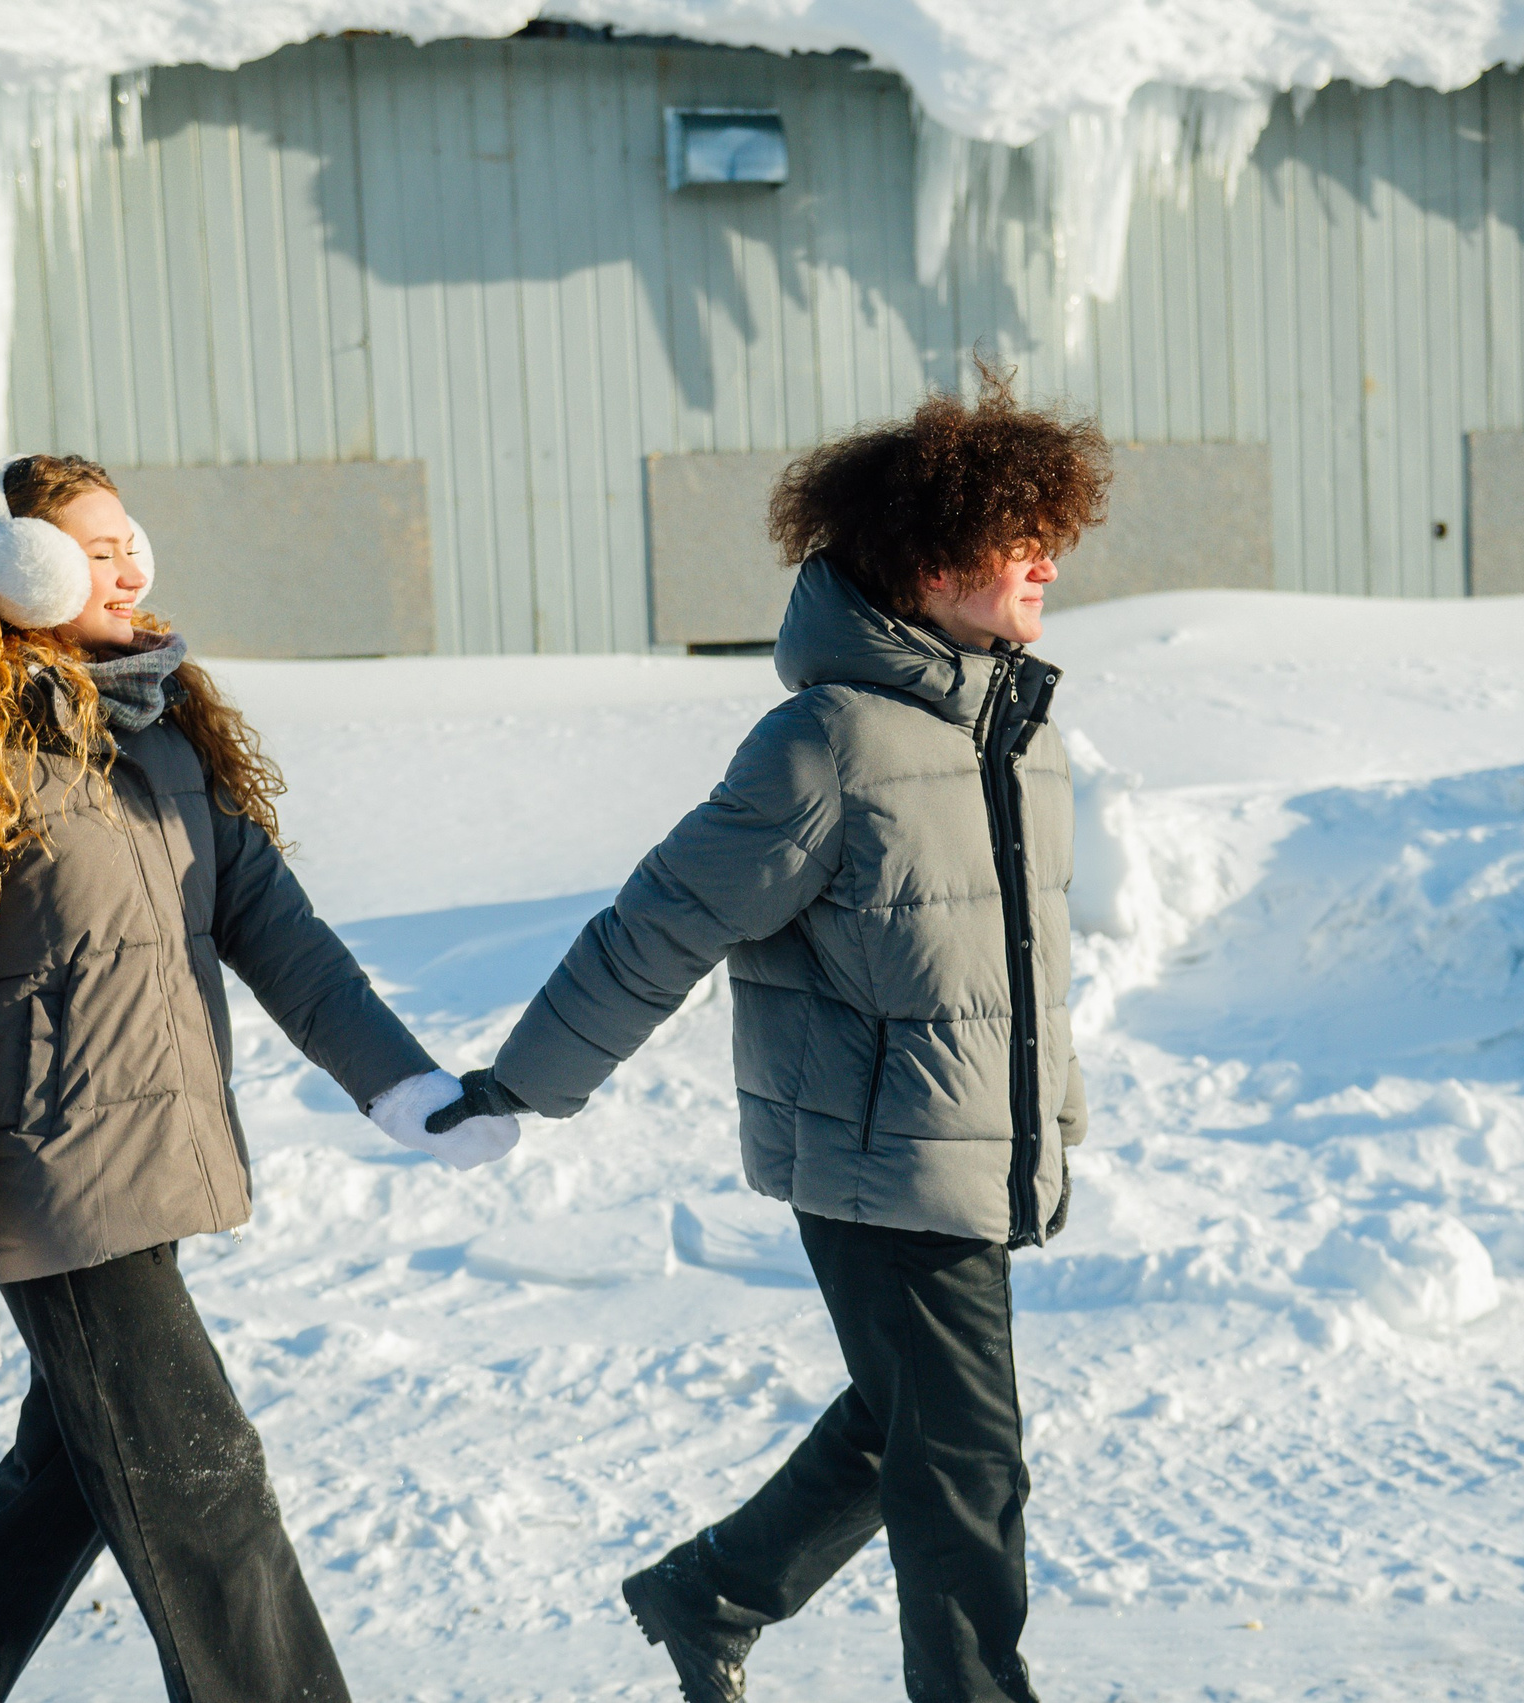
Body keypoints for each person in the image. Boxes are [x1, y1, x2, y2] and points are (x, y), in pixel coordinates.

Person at [427, 364, 1110, 1703]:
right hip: (874, 1159)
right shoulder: (824, 744)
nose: (1045, 561)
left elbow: (1013, 963)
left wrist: (1051, 1115)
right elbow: (663, 921)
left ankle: (710, 1591)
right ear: (927, 561)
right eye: (1015, 536)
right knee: (966, 1461)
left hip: (973, 1144)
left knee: (906, 1423)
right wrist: (523, 1082)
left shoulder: (1017, 734)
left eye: (1051, 534)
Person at [0, 453, 516, 1703]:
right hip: (50, 1195)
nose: (129, 568)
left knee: (68, 1487)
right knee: (208, 1499)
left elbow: (281, 934)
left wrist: (402, 1084)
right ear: (17, 572)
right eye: (92, 551)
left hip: (145, 1172)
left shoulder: (157, 735)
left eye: (127, 540)